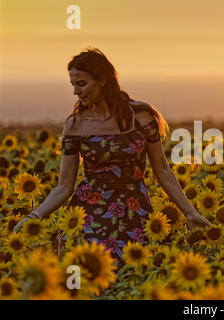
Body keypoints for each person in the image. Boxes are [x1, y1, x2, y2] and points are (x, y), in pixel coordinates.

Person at [13, 48, 211, 263]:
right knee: (86, 267)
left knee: (133, 271)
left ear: (103, 80)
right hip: (88, 211)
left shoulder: (141, 117)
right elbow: (64, 186)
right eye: (73, 85)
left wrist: (189, 212)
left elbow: (162, 169)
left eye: (81, 84)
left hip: (134, 209)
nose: (76, 92)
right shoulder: (75, 125)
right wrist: (35, 216)